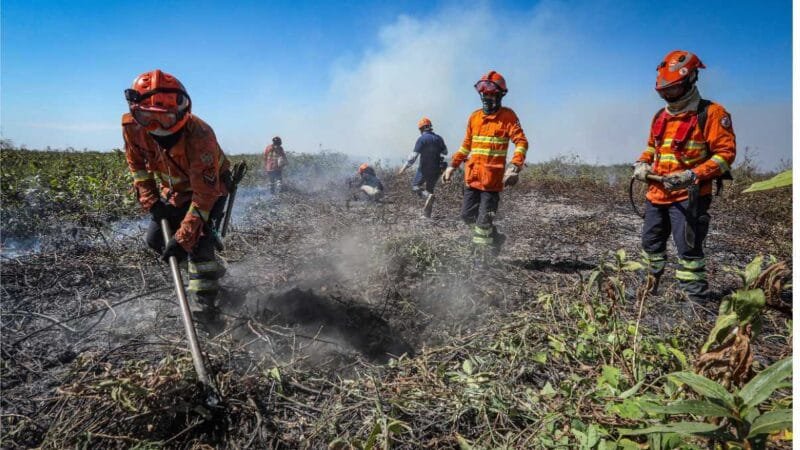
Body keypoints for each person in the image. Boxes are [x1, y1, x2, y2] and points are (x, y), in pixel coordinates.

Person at [632, 50, 736, 303]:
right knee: (651, 245)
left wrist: (692, 175)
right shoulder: (660, 116)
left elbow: (725, 155)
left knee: (688, 249)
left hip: (689, 197)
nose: (667, 95)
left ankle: (695, 300)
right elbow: (652, 147)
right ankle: (648, 288)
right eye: (663, 91)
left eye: (673, 90)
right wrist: (642, 163)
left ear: (691, 80)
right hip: (657, 195)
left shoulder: (711, 113)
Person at [122, 69, 230, 308]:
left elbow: (204, 196)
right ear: (135, 111)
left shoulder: (200, 135)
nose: (157, 128)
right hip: (173, 192)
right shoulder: (132, 127)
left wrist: (184, 239)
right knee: (155, 240)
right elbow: (138, 167)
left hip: (210, 190)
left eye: (165, 118)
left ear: (181, 112)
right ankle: (203, 268)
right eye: (147, 117)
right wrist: (152, 202)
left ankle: (208, 309)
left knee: (199, 247)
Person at [443, 70, 529, 268]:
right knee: (466, 216)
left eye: (491, 94)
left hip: (491, 182)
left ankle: (481, 261)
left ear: (500, 95)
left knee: (482, 224)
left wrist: (515, 166)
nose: (487, 97)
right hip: (472, 178)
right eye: (484, 94)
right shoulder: (474, 118)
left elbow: (521, 142)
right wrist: (452, 166)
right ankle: (496, 237)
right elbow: (466, 146)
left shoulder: (508, 117)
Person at [399, 117, 448, 217]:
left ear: (421, 129)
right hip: (437, 169)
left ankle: (427, 196)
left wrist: (404, 168)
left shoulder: (422, 139)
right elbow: (445, 152)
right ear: (430, 127)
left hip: (425, 169)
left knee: (415, 186)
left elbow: (413, 156)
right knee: (430, 189)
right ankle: (427, 215)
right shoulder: (439, 138)